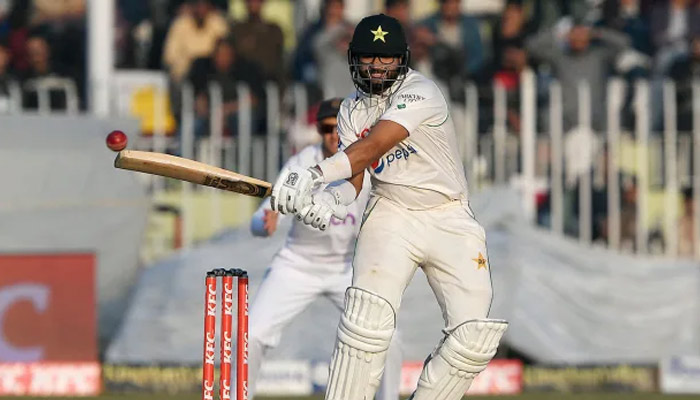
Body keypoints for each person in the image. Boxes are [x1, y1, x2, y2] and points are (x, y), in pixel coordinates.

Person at [269, 14, 507, 400]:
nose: (377, 66)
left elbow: (373, 146)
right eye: (368, 58)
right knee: (366, 325)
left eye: (387, 58)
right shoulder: (350, 110)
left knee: (474, 337)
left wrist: (312, 175)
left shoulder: (421, 91)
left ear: (403, 59)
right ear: (353, 60)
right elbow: (355, 180)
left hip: (448, 215)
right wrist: (329, 199)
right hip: (391, 213)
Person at [247, 98, 402, 400]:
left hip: (347, 269)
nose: (334, 135)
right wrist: (263, 222)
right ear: (318, 131)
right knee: (252, 335)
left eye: (339, 128)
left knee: (389, 338)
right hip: (297, 265)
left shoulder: (372, 166)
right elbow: (264, 215)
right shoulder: (303, 163)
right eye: (326, 128)